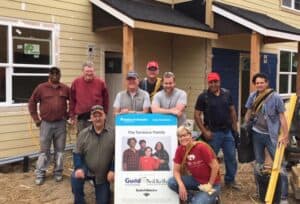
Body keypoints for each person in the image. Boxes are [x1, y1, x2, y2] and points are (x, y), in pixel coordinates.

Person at [244, 72, 289, 202]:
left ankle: (283, 196)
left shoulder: (275, 97)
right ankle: (261, 191)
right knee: (259, 164)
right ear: (255, 85)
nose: (259, 85)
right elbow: (248, 112)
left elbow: (282, 117)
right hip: (256, 134)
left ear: (267, 83)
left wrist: (285, 135)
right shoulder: (253, 96)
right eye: (257, 83)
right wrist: (245, 128)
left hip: (272, 136)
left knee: (280, 165)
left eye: (261, 82)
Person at [194, 72, 240, 189]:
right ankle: (211, 181)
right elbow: (197, 115)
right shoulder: (203, 97)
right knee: (211, 159)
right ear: (208, 83)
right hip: (213, 133)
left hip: (227, 132)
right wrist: (204, 132)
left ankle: (230, 180)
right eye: (211, 82)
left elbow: (232, 110)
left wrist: (235, 126)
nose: (214, 84)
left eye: (216, 81)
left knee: (231, 157)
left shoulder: (227, 93)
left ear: (219, 82)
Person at [28, 67, 70, 185]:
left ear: (60, 75)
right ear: (49, 75)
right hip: (45, 124)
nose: (55, 75)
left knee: (60, 151)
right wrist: (36, 119)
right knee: (44, 151)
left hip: (61, 124)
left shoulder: (65, 88)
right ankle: (40, 174)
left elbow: (73, 101)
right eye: (53, 73)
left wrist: (68, 115)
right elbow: (32, 102)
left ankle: (58, 172)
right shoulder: (41, 88)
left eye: (57, 73)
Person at [71, 105, 114, 204]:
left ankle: (106, 193)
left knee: (103, 201)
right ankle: (79, 201)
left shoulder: (113, 133)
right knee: (75, 177)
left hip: (103, 173)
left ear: (105, 116)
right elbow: (77, 152)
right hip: (87, 168)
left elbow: (117, 155)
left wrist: (112, 169)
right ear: (91, 118)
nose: (98, 118)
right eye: (95, 116)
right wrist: (78, 168)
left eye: (100, 115)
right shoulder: (83, 134)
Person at [168, 126, 221, 204]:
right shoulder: (180, 150)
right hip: (197, 180)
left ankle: (214, 199)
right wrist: (181, 185)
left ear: (190, 135)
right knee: (172, 182)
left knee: (198, 202)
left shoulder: (201, 147)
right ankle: (192, 198)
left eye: (185, 135)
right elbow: (176, 171)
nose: (183, 138)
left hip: (212, 184)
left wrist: (210, 185)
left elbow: (215, 166)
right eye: (180, 136)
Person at [70, 61, 109, 134]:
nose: (89, 73)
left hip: (97, 116)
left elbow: (106, 99)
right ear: (83, 71)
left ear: (94, 71)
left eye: (91, 71)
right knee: (82, 138)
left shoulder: (100, 83)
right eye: (87, 71)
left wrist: (105, 113)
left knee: (97, 137)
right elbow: (72, 100)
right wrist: (72, 115)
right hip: (82, 117)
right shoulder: (76, 82)